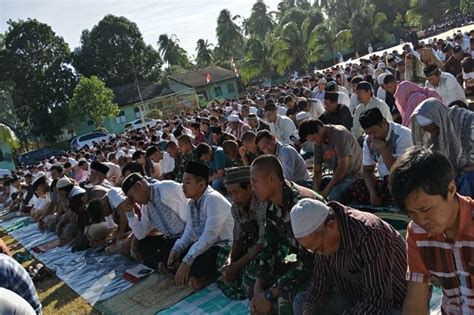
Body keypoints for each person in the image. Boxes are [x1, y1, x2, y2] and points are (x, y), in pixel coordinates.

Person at [389, 146, 474, 314]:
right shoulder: (417, 233)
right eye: (411, 212)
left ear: (450, 189)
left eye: (425, 209)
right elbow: (416, 298)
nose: (420, 220)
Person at [291, 198, 407, 315]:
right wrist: (308, 311)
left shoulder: (368, 233)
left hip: (393, 303)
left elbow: (377, 300)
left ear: (331, 226)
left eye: (319, 249)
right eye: (313, 251)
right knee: (301, 302)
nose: (319, 253)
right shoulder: (323, 241)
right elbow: (319, 284)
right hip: (356, 298)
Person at [249, 155, 325, 314]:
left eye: (254, 181)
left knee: (284, 301)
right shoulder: (272, 203)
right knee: (251, 278)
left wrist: (270, 294)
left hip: (323, 266)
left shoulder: (300, 204)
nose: (252, 187)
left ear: (271, 179)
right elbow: (269, 246)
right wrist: (259, 286)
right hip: (297, 258)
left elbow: (308, 262)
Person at [168, 161, 234, 291]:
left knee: (202, 258)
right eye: (183, 182)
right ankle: (191, 273)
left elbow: (210, 236)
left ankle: (201, 278)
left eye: (187, 182)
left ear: (202, 184)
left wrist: (187, 261)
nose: (182, 187)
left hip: (223, 245)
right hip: (206, 244)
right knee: (174, 250)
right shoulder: (192, 202)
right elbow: (190, 232)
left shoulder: (213, 199)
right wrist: (177, 249)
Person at [218, 167, 267, 300]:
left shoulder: (262, 203)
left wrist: (237, 266)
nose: (233, 198)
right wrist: (230, 263)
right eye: (230, 194)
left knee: (251, 276)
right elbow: (238, 238)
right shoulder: (236, 207)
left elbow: (263, 242)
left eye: (236, 193)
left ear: (250, 187)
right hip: (251, 246)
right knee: (221, 257)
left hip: (268, 248)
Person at [122, 173, 188, 269]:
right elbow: (140, 234)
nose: (134, 201)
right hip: (173, 240)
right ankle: (165, 265)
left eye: (132, 197)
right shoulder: (146, 208)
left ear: (138, 185)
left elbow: (192, 202)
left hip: (190, 234)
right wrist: (130, 213)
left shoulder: (165, 188)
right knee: (141, 245)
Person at [410, 98, 474, 197]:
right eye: (428, 131)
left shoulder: (469, 123)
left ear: (440, 120)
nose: (432, 134)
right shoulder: (435, 135)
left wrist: (461, 172)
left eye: (434, 129)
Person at [350, 108, 413, 206]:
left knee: (400, 186)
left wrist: (382, 148)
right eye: (368, 133)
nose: (372, 137)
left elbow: (399, 171)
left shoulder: (403, 135)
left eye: (374, 132)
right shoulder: (368, 140)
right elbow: (367, 171)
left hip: (403, 177)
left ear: (383, 122)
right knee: (356, 186)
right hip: (382, 181)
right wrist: (373, 193)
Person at [299, 119, 362, 203]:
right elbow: (317, 171)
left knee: (333, 196)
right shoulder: (318, 143)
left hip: (353, 176)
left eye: (315, 138)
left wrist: (325, 192)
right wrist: (315, 193)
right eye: (312, 141)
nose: (315, 142)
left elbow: (342, 167)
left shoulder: (339, 133)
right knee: (303, 186)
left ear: (319, 128)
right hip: (337, 177)